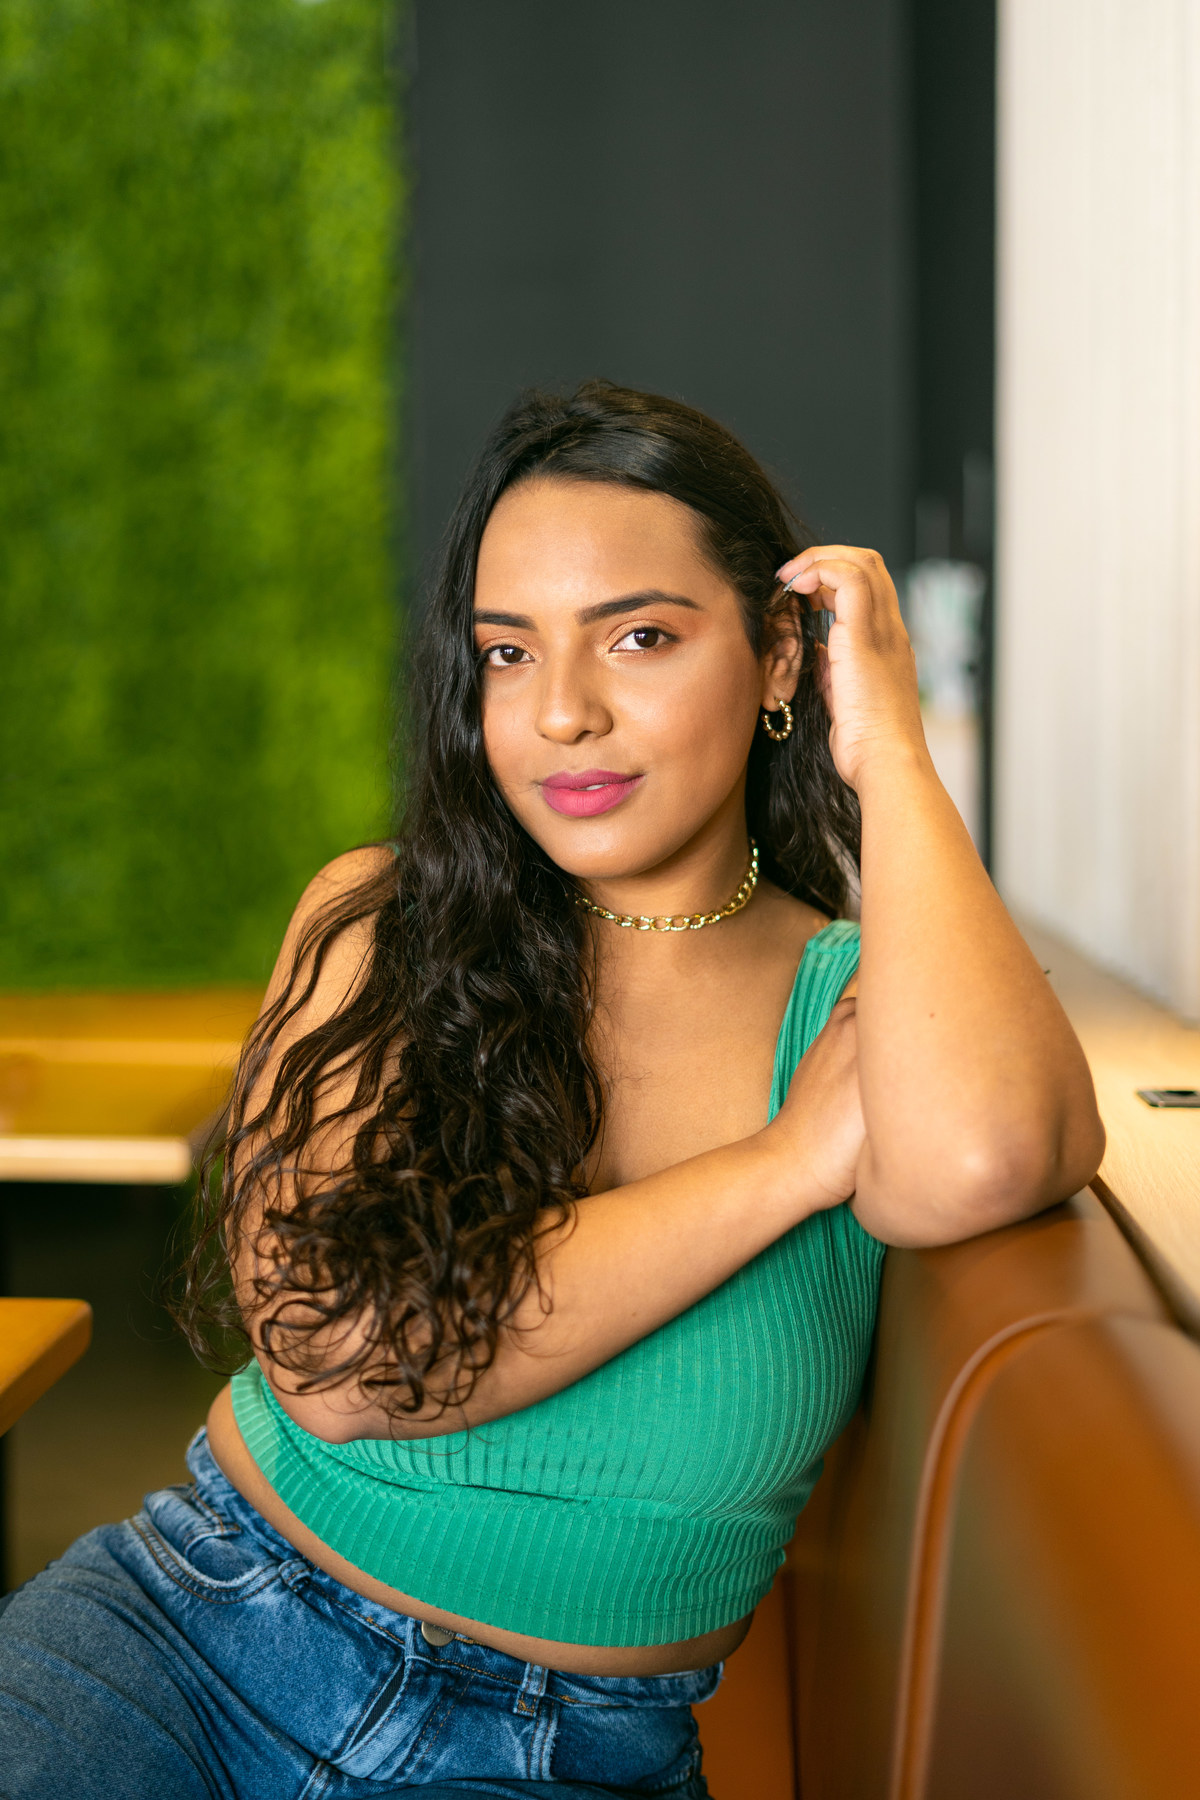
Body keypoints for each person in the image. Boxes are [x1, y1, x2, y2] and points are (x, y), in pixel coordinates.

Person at [0, 382, 1104, 1799]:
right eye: (509, 653)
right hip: (191, 1632)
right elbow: (337, 1364)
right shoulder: (381, 922)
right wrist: (783, 1164)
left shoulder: (861, 1004)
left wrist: (889, 746)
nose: (563, 714)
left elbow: (990, 1156)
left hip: (564, 1752)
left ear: (780, 658)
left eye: (639, 637)